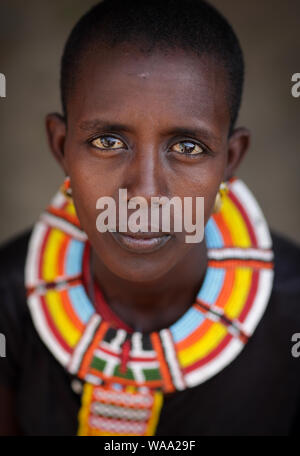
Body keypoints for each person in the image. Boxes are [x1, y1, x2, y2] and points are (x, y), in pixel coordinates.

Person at [0, 0, 300, 436]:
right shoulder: (8, 303)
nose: (143, 193)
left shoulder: (292, 312)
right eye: (107, 141)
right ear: (61, 145)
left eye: (188, 147)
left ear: (230, 160)